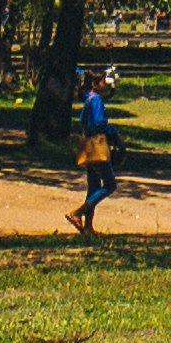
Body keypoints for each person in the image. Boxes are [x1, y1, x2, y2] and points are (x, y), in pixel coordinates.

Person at [69, 72, 118, 236]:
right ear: (95, 84)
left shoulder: (88, 100)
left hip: (88, 148)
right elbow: (99, 123)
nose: (107, 85)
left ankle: (88, 227)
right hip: (97, 146)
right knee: (110, 185)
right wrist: (113, 132)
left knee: (94, 186)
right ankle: (78, 212)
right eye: (104, 82)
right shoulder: (96, 99)